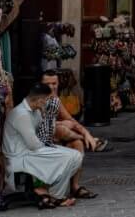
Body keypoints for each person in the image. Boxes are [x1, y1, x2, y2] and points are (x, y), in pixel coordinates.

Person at [2, 84, 83, 209]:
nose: (48, 102)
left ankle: (52, 193)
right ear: (40, 100)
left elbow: (43, 132)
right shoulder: (21, 114)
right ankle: (57, 197)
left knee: (76, 156)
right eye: (46, 100)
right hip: (20, 156)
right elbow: (34, 144)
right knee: (69, 157)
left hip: (32, 150)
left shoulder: (35, 111)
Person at [36, 70, 103, 199]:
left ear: (58, 83)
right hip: (37, 142)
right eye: (47, 84)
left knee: (76, 143)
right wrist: (63, 124)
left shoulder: (55, 100)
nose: (51, 87)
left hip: (54, 138)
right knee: (60, 127)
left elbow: (72, 120)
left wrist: (86, 133)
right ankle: (85, 139)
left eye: (54, 83)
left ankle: (75, 187)